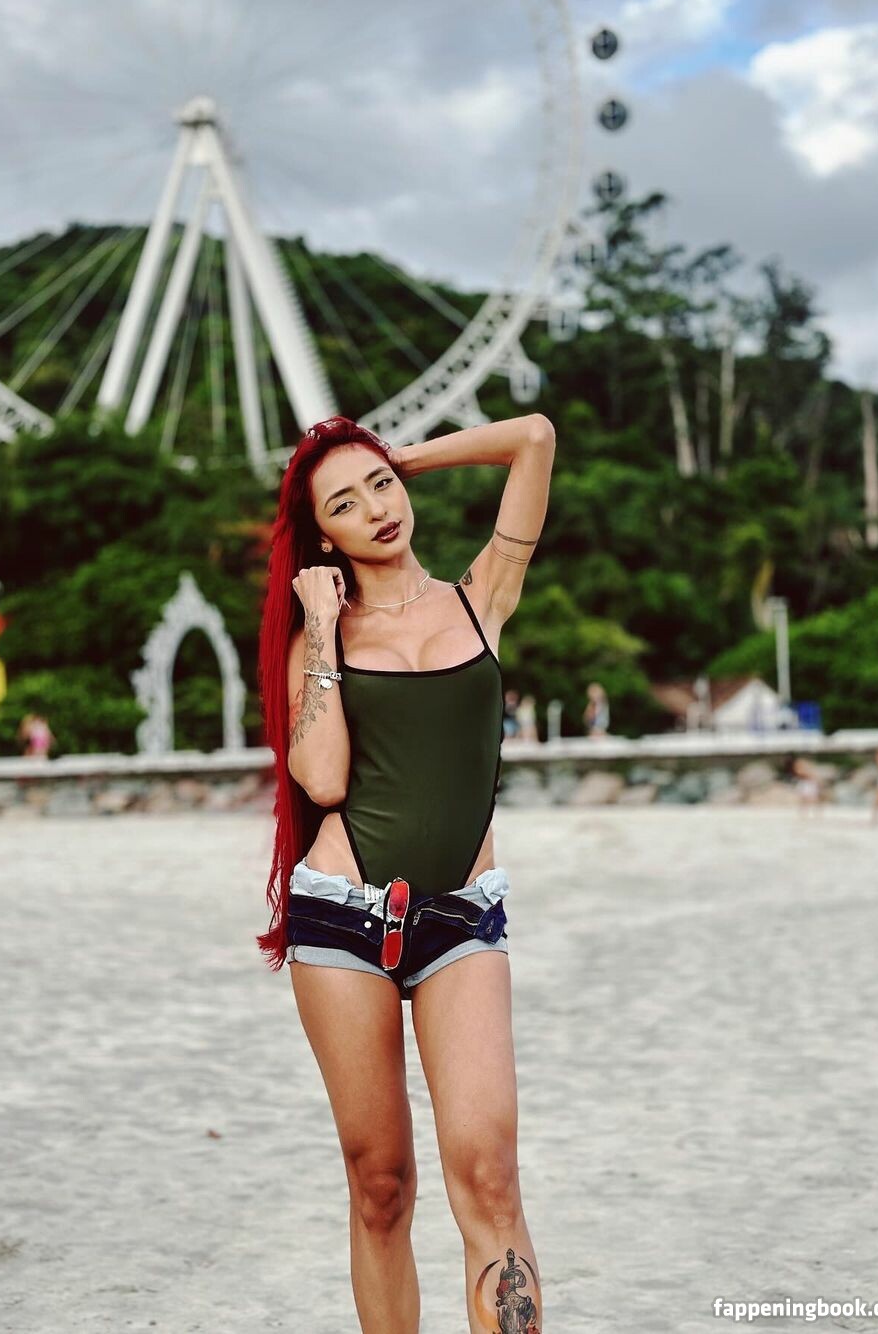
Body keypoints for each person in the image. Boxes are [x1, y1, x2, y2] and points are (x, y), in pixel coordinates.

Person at [256, 413, 554, 1332]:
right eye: (344, 505)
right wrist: (319, 621)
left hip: (461, 922)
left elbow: (534, 438)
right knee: (381, 1184)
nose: (376, 509)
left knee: (490, 1174)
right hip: (342, 922)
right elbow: (322, 779)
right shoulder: (321, 637)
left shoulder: (481, 596)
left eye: (381, 487)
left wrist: (401, 457)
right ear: (322, 537)